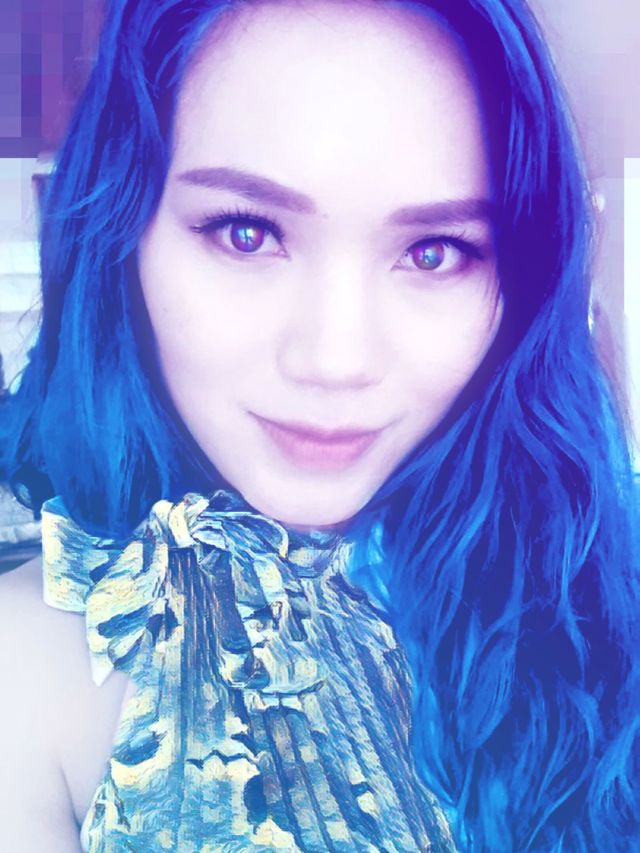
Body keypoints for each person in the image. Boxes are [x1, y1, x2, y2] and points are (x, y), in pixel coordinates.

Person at [0, 0, 637, 850]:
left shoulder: (600, 577)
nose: (336, 360)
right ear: (124, 232)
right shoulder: (34, 671)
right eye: (246, 232)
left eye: (434, 251)